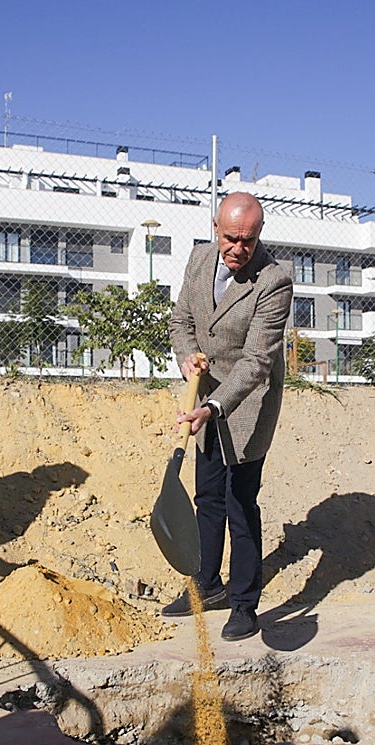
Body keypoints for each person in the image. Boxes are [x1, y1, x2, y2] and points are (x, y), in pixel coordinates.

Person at [163, 192, 294, 641]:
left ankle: (244, 604)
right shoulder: (199, 259)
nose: (239, 249)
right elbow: (181, 322)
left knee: (240, 505)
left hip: (246, 406)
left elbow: (257, 361)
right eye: (231, 238)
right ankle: (205, 584)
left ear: (260, 234)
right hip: (202, 398)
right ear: (216, 228)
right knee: (208, 498)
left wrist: (214, 406)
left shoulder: (274, 280)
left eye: (248, 240)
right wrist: (187, 358)